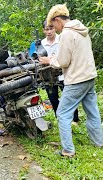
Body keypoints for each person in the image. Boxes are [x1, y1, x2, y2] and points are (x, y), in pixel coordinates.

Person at [39, 4, 103, 157]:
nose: (55, 28)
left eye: (53, 25)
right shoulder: (82, 29)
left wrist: (50, 61)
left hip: (76, 79)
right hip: (89, 76)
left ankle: (68, 150)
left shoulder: (67, 34)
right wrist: (55, 58)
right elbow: (75, 55)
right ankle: (99, 142)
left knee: (62, 113)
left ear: (57, 20)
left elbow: (64, 61)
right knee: (92, 111)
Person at [41, 20, 79, 124]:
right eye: (46, 29)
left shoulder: (62, 39)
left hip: (63, 73)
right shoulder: (41, 44)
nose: (49, 31)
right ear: (43, 30)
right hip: (48, 75)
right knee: (53, 98)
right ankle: (60, 119)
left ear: (55, 28)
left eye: (51, 28)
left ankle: (75, 119)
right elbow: (36, 58)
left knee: (69, 96)